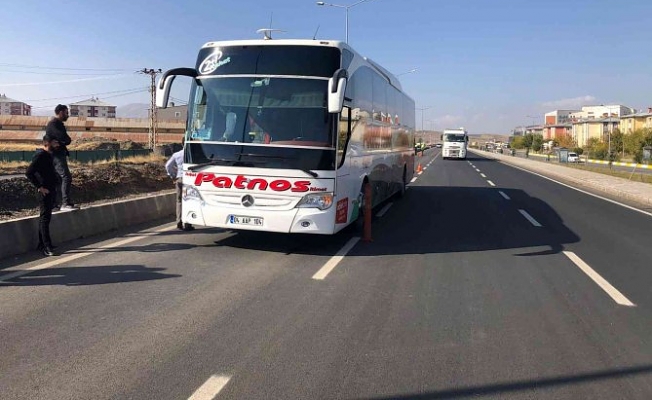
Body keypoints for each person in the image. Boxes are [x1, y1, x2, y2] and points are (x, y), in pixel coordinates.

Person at [25, 135, 60, 256]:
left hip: (50, 190)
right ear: (47, 143)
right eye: (54, 142)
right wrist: (39, 187)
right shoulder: (40, 156)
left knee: (46, 217)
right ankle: (47, 246)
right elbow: (29, 172)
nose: (57, 144)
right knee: (45, 219)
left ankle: (42, 243)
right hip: (44, 191)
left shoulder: (49, 155)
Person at [46, 104, 79, 211]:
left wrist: (63, 141)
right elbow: (63, 137)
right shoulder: (54, 124)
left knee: (57, 179)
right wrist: (62, 141)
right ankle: (65, 203)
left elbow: (67, 139)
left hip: (57, 154)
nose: (67, 115)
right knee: (66, 177)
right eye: (66, 112)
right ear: (60, 112)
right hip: (56, 155)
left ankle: (54, 205)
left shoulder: (58, 124)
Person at [165, 143, 194, 231]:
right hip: (189, 179)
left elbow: (167, 166)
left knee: (179, 201)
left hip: (179, 179)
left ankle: (179, 221)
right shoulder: (192, 154)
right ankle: (187, 223)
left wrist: (173, 175)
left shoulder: (176, 155)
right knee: (189, 200)